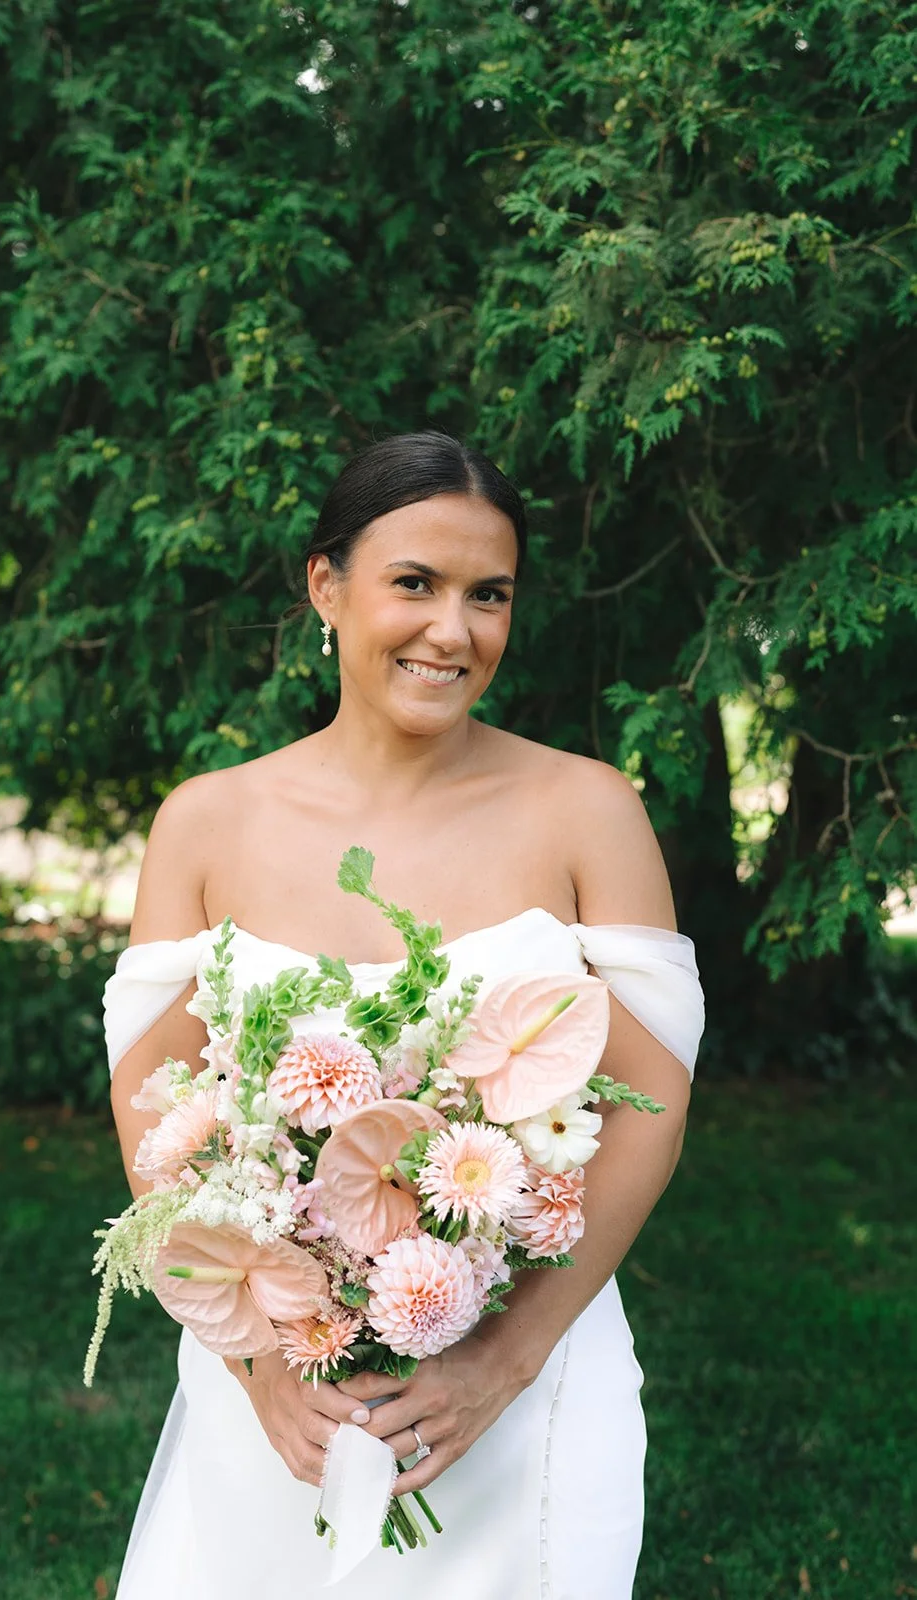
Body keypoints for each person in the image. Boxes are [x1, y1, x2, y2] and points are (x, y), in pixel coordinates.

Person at [102, 430, 705, 1599]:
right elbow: (152, 1110)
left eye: (489, 596)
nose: (453, 631)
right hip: (282, 1398)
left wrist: (504, 1358)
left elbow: (652, 1104)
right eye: (415, 584)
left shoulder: (588, 810)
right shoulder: (204, 823)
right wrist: (261, 1371)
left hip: (520, 1390)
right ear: (325, 585)